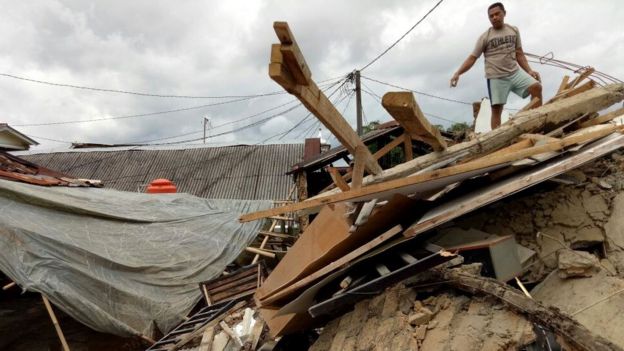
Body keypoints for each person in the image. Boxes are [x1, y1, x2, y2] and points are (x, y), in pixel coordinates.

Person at [450, 2, 542, 129]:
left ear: (504, 13)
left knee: (536, 87)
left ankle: (537, 123)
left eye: (497, 14)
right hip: (496, 77)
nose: (494, 17)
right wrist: (458, 73)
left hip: (515, 72)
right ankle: (497, 138)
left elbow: (519, 54)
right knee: (496, 110)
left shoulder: (513, 30)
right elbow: (472, 58)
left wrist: (529, 71)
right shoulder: (485, 37)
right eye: (491, 16)